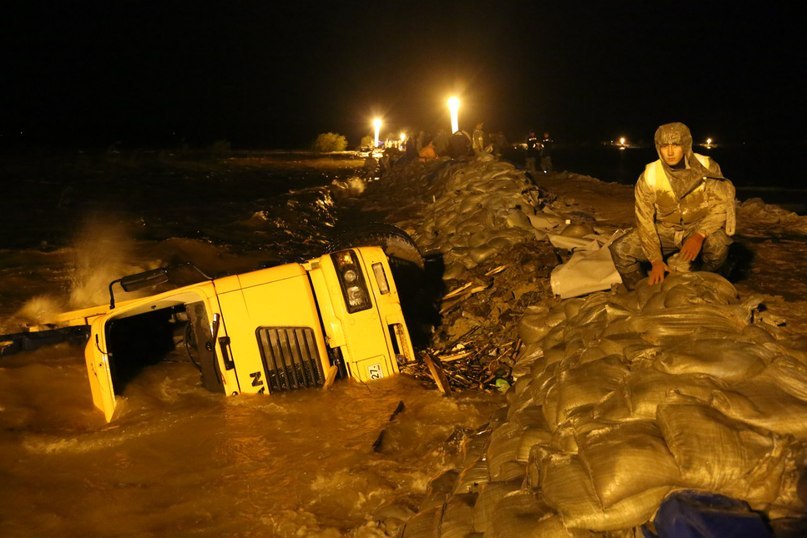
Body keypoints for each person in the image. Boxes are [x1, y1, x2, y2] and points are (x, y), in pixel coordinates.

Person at [609, 122, 736, 289]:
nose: (669, 152)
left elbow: (720, 207)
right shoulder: (649, 176)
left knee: (719, 245)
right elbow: (644, 221)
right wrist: (655, 260)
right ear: (658, 147)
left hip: (698, 226)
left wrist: (699, 235)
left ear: (685, 145)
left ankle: (709, 286)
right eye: (664, 146)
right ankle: (640, 293)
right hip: (667, 230)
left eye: (675, 145)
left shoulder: (706, 167)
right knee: (620, 249)